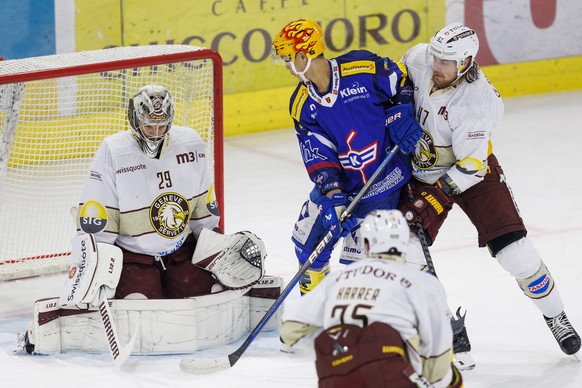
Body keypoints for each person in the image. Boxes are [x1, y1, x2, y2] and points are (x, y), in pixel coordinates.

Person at [15, 85, 283, 357]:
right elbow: (100, 221)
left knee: (210, 297)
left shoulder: (190, 144)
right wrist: (96, 271)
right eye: (149, 126)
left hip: (181, 251)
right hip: (133, 257)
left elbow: (202, 207)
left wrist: (215, 249)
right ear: (135, 121)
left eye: (162, 125)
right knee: (139, 306)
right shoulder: (113, 152)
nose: (156, 132)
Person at [399, 22, 580, 357]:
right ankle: (433, 327)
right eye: (436, 58)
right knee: (401, 251)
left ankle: (556, 316)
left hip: (471, 172)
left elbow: (471, 166)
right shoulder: (421, 58)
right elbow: (398, 79)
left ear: (466, 63)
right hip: (420, 172)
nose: (437, 66)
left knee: (515, 251)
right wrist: (401, 107)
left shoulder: (476, 102)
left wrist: (435, 199)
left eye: (446, 63)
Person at [271, 18, 422, 294]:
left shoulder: (362, 69)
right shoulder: (302, 105)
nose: (286, 66)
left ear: (303, 55)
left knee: (365, 269)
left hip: (384, 181)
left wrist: (401, 112)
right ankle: (319, 316)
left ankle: (364, 327)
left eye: (287, 58)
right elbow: (318, 156)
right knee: (308, 246)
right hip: (346, 186)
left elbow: (403, 79)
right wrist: (333, 196)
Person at [280, 209, 463, 388]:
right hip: (391, 377)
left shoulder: (337, 279)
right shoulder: (423, 283)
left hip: (336, 378)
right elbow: (437, 365)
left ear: (366, 245)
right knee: (454, 380)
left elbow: (289, 330)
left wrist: (340, 347)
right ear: (404, 243)